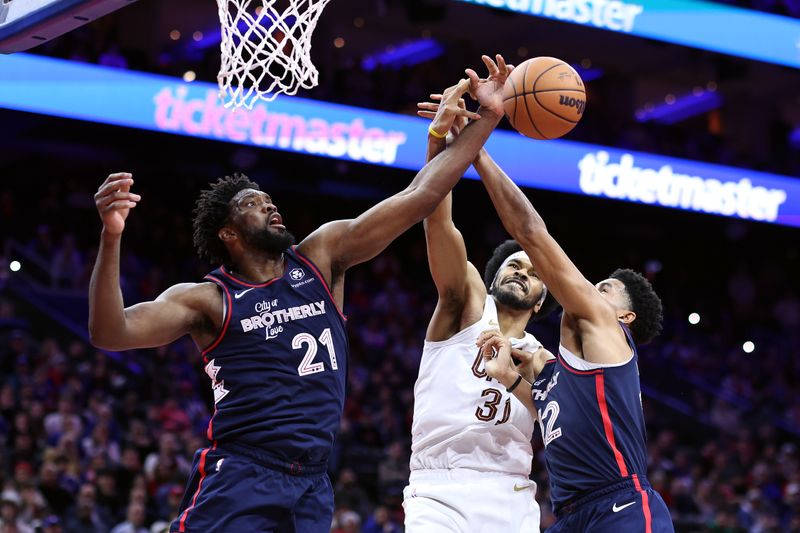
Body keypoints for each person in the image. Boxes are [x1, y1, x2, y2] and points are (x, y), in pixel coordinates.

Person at [88, 54, 512, 533]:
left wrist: (489, 119)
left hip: (312, 482)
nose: (269, 205)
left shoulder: (322, 256)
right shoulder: (208, 299)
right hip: (243, 473)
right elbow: (111, 331)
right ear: (228, 233)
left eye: (269, 200)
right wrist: (111, 235)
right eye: (252, 204)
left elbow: (420, 197)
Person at [472, 147, 674, 531]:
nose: (591, 290)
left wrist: (477, 153)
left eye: (604, 288)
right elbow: (552, 406)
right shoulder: (558, 366)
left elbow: (529, 232)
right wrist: (509, 379)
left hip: (621, 505)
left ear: (624, 317)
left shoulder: (604, 327)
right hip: (570, 516)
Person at [403, 75, 558, 532]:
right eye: (513, 264)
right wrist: (441, 142)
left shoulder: (543, 358)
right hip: (439, 486)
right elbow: (436, 221)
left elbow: (561, 427)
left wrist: (517, 377)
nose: (520, 271)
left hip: (510, 491)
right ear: (493, 277)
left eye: (532, 272)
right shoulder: (467, 304)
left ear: (544, 298)